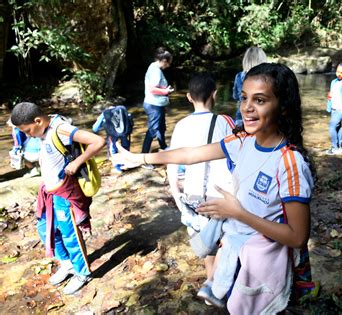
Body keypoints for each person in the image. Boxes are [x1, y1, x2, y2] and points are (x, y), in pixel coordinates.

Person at [113, 63, 315, 313]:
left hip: (265, 263)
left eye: (260, 100)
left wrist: (238, 213)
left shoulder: (289, 162)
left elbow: (297, 236)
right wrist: (140, 158)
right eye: (244, 98)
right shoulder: (243, 140)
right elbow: (190, 154)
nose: (247, 108)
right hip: (237, 255)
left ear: (283, 106)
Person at [10, 102, 105, 295]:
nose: (28, 135)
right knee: (45, 229)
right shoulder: (41, 130)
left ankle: (82, 272)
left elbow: (98, 141)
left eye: (28, 130)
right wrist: (24, 160)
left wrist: (78, 162)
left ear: (37, 121)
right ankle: (67, 264)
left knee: (71, 235)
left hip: (65, 192)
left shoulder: (61, 128)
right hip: (49, 190)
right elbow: (43, 158)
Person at [166, 72, 235, 307]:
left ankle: (211, 283)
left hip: (193, 197)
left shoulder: (180, 126)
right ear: (214, 94)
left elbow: (172, 166)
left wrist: (179, 201)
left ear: (187, 97)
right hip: (219, 194)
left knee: (207, 245)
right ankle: (217, 286)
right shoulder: (226, 122)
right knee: (225, 242)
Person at [141, 47, 174, 169]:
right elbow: (152, 89)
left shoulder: (153, 66)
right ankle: (144, 159)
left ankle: (163, 147)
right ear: (164, 60)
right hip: (154, 105)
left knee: (160, 127)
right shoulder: (156, 71)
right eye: (169, 62)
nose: (169, 65)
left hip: (156, 104)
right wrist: (166, 91)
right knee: (152, 130)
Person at [92, 105, 134, 174]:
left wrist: (104, 123)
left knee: (113, 149)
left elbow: (95, 128)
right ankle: (126, 163)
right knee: (125, 145)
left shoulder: (105, 113)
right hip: (124, 133)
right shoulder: (122, 110)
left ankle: (118, 168)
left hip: (112, 135)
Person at [232, 46, 267, 126]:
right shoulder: (267, 78)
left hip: (242, 118)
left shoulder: (239, 76)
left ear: (245, 60)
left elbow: (235, 96)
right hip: (262, 118)